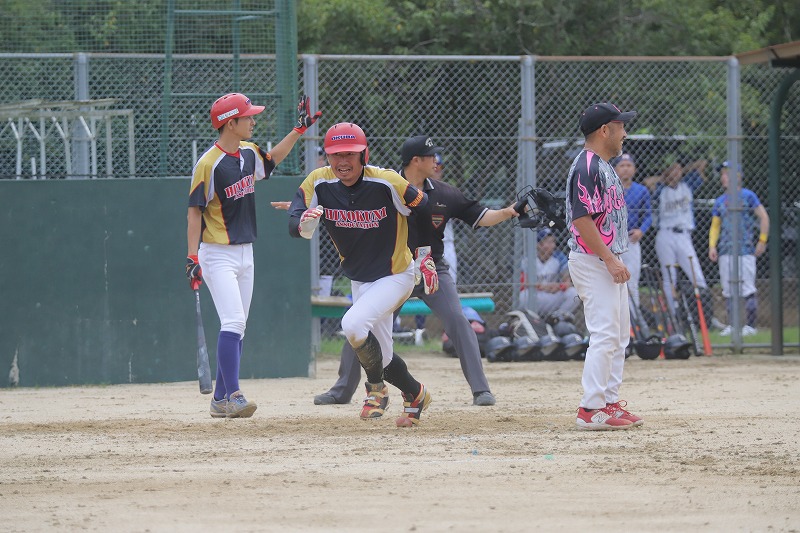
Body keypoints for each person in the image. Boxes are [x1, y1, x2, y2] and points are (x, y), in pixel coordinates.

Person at [312, 135, 519, 409]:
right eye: (432, 157)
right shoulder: (383, 186)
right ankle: (342, 389)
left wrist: (509, 211)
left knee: (458, 320)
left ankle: (481, 389)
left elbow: (480, 216)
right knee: (363, 323)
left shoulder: (444, 193)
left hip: (432, 267)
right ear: (416, 160)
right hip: (391, 270)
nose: (437, 162)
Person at [287, 124, 439, 427]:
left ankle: (375, 389)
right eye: (335, 155)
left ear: (364, 155)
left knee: (353, 325)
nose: (342, 161)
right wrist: (302, 223)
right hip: (360, 277)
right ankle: (416, 394)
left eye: (349, 154)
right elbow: (294, 218)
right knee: (382, 356)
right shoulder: (319, 181)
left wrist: (424, 255)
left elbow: (424, 208)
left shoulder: (386, 181)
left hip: (396, 274)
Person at [186, 93, 321, 418]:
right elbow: (194, 211)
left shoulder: (247, 152)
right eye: (247, 117)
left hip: (246, 251)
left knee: (239, 326)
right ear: (230, 123)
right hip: (217, 254)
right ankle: (233, 395)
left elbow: (271, 160)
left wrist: (299, 130)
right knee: (233, 321)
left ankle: (219, 398)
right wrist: (192, 257)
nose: (253, 121)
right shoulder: (208, 164)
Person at [566, 102, 641, 431]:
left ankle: (608, 402)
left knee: (619, 336)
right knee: (605, 333)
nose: (625, 132)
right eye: (620, 126)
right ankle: (590, 408)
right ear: (604, 130)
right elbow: (582, 219)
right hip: (593, 260)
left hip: (606, 258)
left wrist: (613, 258)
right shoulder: (587, 166)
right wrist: (609, 259)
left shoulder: (602, 165)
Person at [708, 161, 769, 336]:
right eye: (723, 174)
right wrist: (712, 246)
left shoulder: (748, 196)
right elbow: (715, 226)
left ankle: (750, 326)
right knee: (728, 289)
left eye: (727, 173)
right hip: (726, 249)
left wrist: (762, 240)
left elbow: (764, 217)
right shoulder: (720, 201)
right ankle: (733, 325)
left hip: (745, 249)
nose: (723, 177)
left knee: (747, 287)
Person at [652, 159, 709, 314]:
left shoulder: (687, 184)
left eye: (678, 170)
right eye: (672, 170)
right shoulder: (660, 188)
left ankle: (705, 312)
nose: (676, 173)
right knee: (669, 276)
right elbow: (648, 182)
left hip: (684, 235)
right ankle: (673, 314)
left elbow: (702, 163)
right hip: (665, 234)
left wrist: (682, 169)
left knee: (696, 273)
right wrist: (666, 176)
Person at [613, 153, 651, 311]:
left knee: (632, 280)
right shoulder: (609, 190)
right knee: (612, 282)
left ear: (634, 169)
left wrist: (641, 231)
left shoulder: (641, 190)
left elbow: (648, 215)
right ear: (615, 169)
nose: (625, 169)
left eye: (629, 165)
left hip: (631, 240)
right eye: (622, 165)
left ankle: (633, 319)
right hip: (612, 241)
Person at [533, 228, 579, 317]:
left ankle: (556, 318)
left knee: (573, 294)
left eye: (553, 242)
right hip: (536, 295)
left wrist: (558, 286)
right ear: (539, 244)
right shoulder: (529, 258)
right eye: (549, 242)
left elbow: (567, 283)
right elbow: (522, 284)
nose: (553, 245)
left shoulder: (559, 257)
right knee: (523, 296)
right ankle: (530, 318)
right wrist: (540, 286)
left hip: (553, 295)